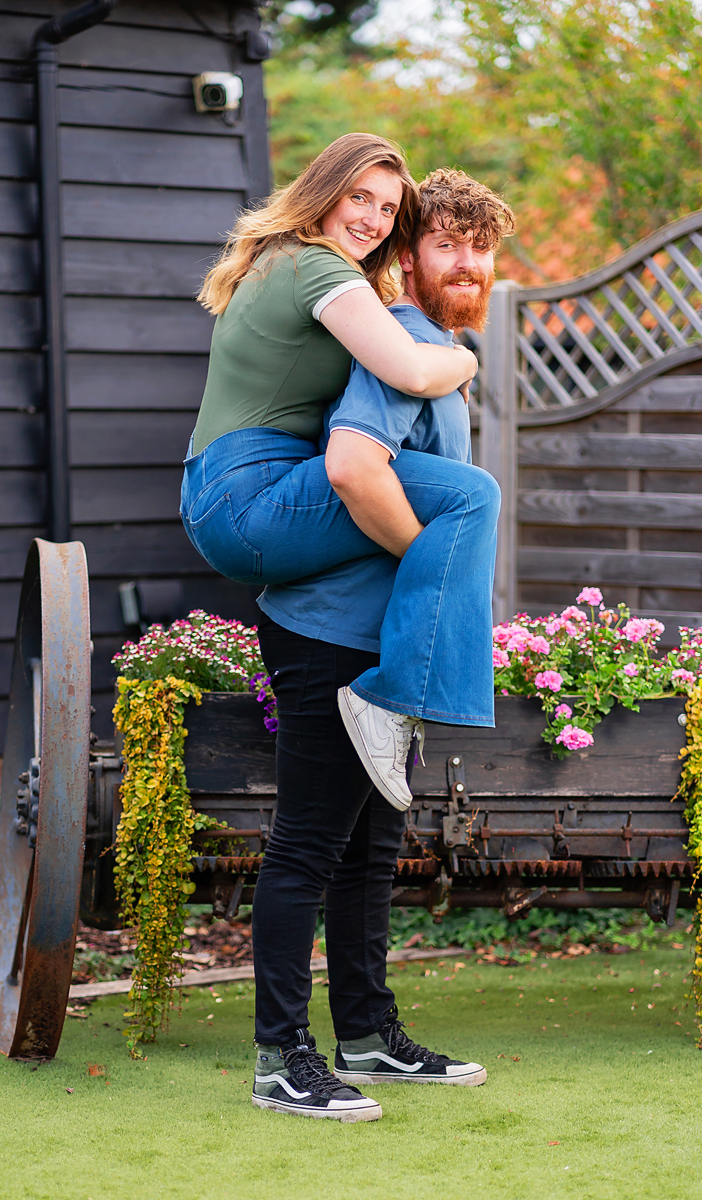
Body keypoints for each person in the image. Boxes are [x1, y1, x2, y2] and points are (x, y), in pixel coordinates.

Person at [249, 169, 516, 1121]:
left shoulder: (436, 347)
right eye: (448, 243)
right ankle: (281, 1058)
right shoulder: (399, 340)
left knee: (368, 851)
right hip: (330, 632)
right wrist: (430, 568)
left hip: (378, 641)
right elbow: (355, 467)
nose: (468, 263)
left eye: (480, 248)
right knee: (309, 848)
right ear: (408, 254)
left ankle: (364, 1035)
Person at [180, 134, 486, 812]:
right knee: (469, 496)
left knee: (455, 500)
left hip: (225, 491)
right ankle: (404, 695)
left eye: (386, 208)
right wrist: (468, 362)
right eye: (359, 197)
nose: (372, 219)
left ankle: (410, 690)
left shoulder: (281, 259)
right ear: (324, 192)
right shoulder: (318, 267)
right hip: (249, 495)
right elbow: (408, 369)